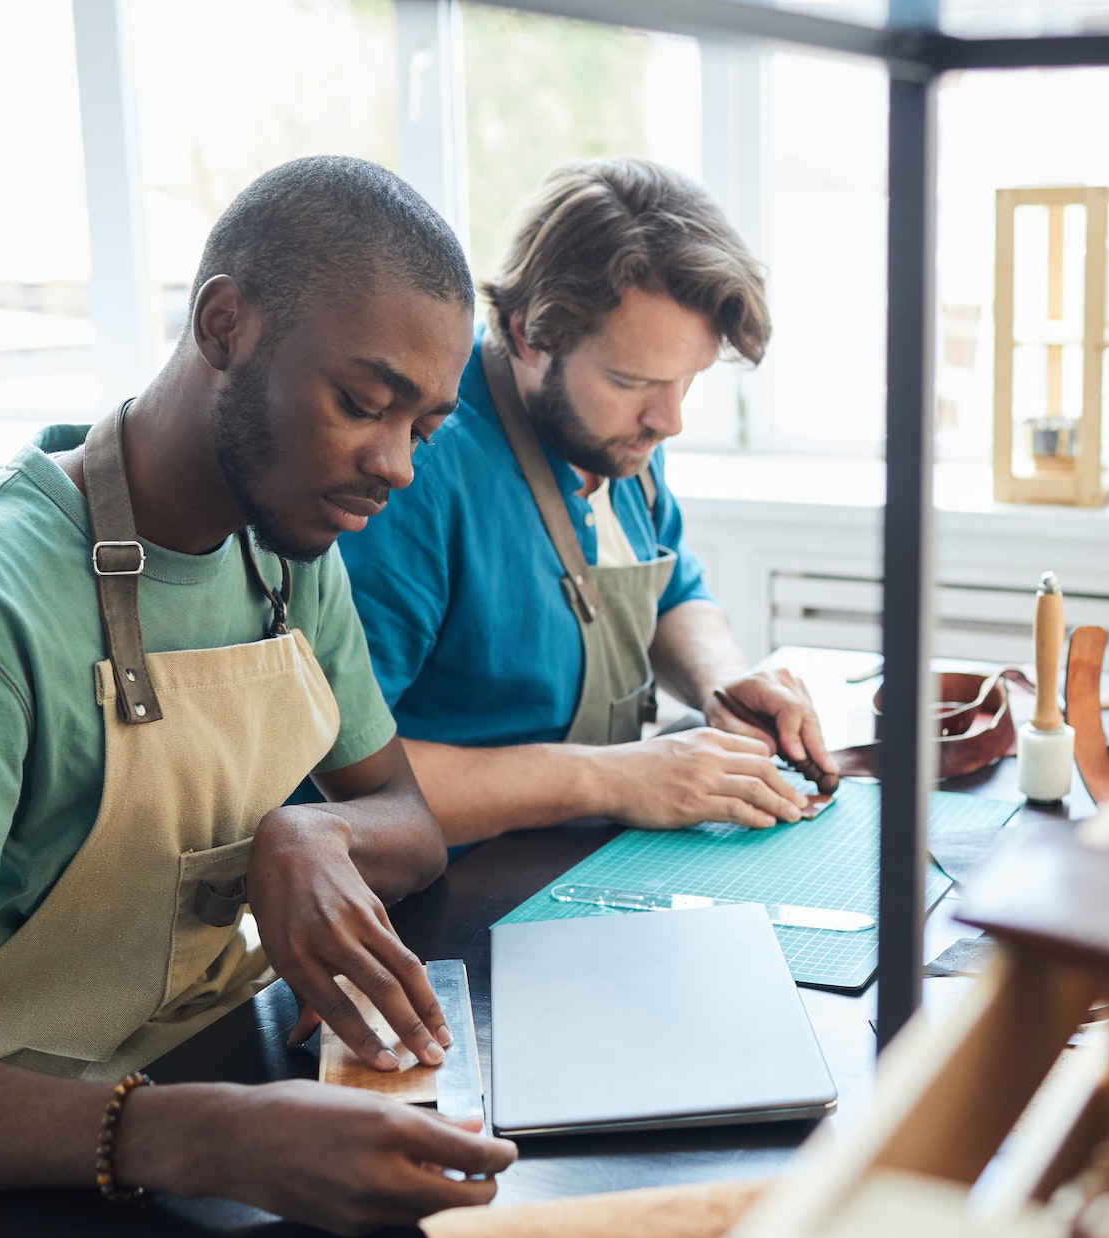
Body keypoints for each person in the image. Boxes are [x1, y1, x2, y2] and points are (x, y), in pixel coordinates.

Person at [0, 157, 517, 1236]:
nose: (396, 468)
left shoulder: (288, 551)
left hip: (192, 1109)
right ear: (224, 323)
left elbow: (410, 826)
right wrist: (197, 1133)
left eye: (421, 428)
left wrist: (311, 835)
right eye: (363, 404)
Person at [339, 159, 834, 847]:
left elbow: (673, 588)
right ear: (525, 335)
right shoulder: (418, 475)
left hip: (583, 860)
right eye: (632, 380)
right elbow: (342, 783)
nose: (669, 420)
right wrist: (615, 779)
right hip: (442, 893)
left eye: (685, 381)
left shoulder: (621, 434)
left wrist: (725, 680)